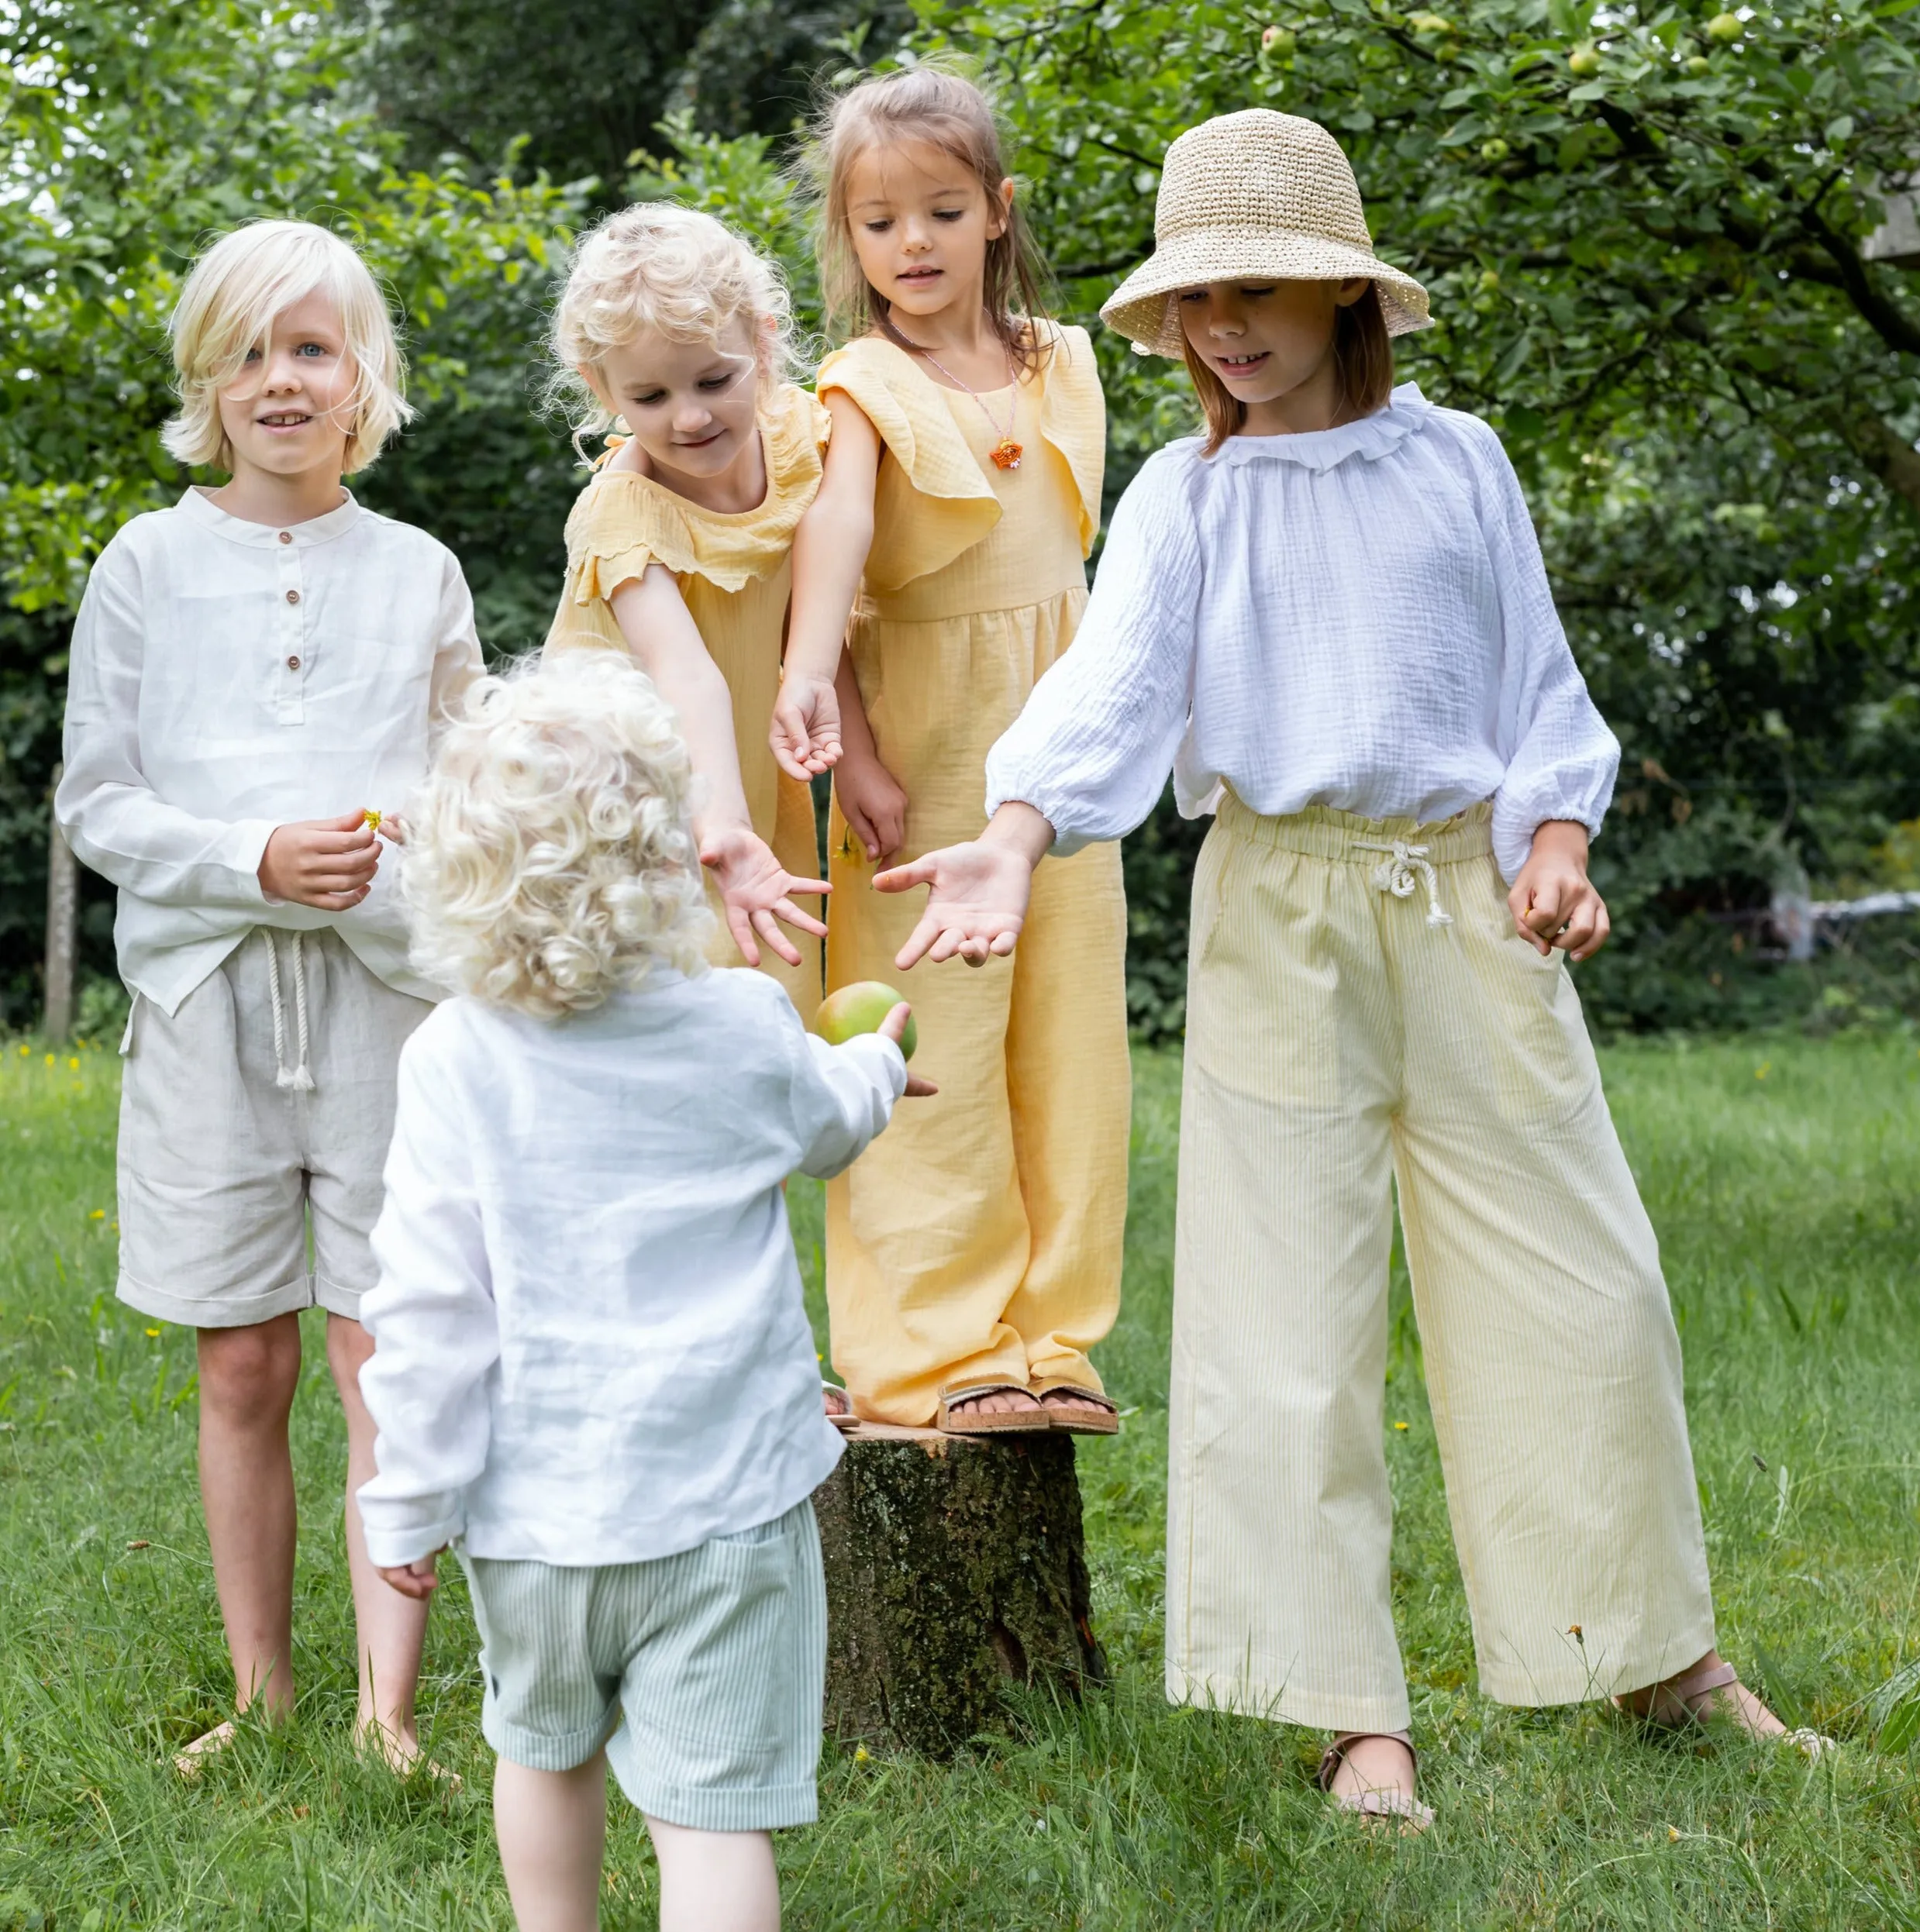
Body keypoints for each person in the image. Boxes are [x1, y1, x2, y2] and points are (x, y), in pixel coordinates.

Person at [877, 109, 1822, 1827]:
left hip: (1469, 898)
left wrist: (1556, 842)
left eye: (1259, 289)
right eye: (1196, 299)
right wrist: (1013, 837)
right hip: (1278, 912)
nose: (1224, 327)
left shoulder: (1458, 460)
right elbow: (1107, 687)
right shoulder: (1187, 493)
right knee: (1281, 1317)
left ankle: (1653, 1652)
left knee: (1580, 1282)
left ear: (1340, 297)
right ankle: (1345, 1713)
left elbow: (1530, 678)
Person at [356, 653, 928, 1932]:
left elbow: (429, 1309)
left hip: (534, 1520)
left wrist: (407, 1501)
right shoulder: (736, 1024)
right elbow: (828, 1121)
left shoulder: (454, 1056)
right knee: (711, 1812)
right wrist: (878, 1063)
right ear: (669, 861)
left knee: (541, 1751)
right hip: (724, 1509)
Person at [56, 219, 483, 1774]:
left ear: (364, 377)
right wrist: (250, 854)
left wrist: (390, 860)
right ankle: (264, 1690)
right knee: (242, 1353)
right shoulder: (147, 561)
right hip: (203, 996)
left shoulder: (419, 568)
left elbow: (468, 790)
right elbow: (97, 799)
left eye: (310, 348)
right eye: (247, 352)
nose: (279, 380)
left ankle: (386, 1711)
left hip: (391, 1005)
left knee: (386, 1347)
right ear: (206, 383)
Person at [770, 61, 1129, 1437]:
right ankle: (931, 1348)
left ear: (996, 211)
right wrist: (834, 722)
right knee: (933, 1044)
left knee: (1065, 1036)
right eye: (876, 222)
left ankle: (1049, 1332)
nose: (908, 245)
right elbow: (837, 553)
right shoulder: (855, 384)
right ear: (846, 240)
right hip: (921, 752)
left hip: (1053, 756)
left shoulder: (1061, 362)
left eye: (937, 210)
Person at [542, 204, 829, 1013]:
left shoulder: (802, 435)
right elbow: (686, 675)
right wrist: (727, 831)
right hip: (633, 800)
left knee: (773, 1010)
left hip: (742, 775)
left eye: (714, 380)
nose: (691, 416)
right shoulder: (623, 509)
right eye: (652, 395)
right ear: (602, 390)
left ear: (763, 344)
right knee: (674, 1012)